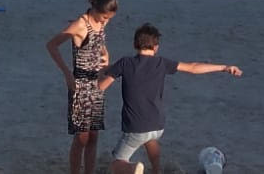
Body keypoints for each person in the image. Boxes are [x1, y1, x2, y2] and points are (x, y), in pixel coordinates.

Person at [95, 24, 243, 174]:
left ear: (135, 44)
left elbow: (101, 87)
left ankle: (134, 168)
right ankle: (157, 170)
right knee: (150, 140)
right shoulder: (161, 63)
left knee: (116, 162)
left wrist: (99, 75)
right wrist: (224, 67)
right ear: (156, 47)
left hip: (136, 126)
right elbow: (193, 67)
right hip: (158, 125)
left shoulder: (125, 62)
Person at [46, 0, 118, 174]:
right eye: (104, 18)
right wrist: (67, 74)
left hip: (97, 84)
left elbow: (99, 43)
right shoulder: (80, 24)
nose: (106, 22)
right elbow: (52, 45)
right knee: (82, 138)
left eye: (109, 19)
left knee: (94, 136)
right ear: (95, 9)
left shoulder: (101, 23)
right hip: (80, 85)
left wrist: (106, 54)